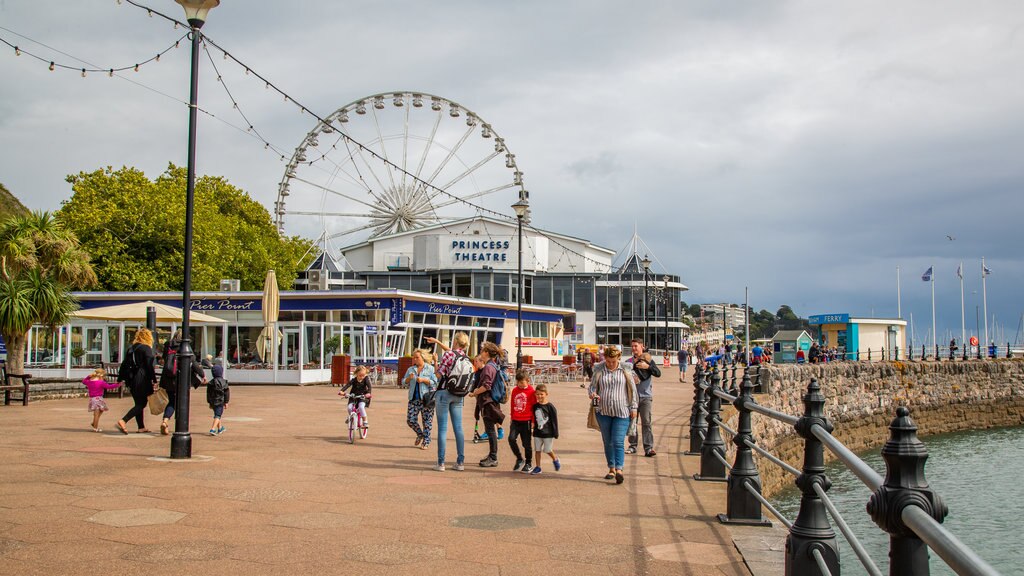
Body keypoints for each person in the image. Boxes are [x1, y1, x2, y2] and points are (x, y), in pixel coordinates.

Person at [588, 347, 637, 485]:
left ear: (618, 359)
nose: (610, 364)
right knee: (607, 441)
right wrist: (593, 395)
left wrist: (634, 407)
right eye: (608, 361)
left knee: (618, 441)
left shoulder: (626, 370)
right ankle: (611, 468)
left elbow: (632, 390)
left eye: (613, 361)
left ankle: (619, 469)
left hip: (622, 412)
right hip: (603, 412)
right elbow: (592, 387)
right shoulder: (599, 370)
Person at [427, 333, 470, 471]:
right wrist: (438, 341)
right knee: (458, 428)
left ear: (456, 342)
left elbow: (438, 375)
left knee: (443, 429)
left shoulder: (448, 355)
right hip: (458, 394)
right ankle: (460, 462)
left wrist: (434, 362)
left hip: (444, 392)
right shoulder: (466, 357)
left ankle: (441, 463)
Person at [158, 330, 207, 436]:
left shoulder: (168, 345)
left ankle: (165, 421)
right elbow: (193, 362)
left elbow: (163, 360)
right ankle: (173, 423)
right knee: (179, 403)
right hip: (181, 379)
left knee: (172, 401)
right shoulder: (185, 346)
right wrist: (202, 375)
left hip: (168, 379)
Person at [469, 342, 505, 467]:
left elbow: (486, 386)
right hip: (490, 401)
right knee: (490, 430)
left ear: (486, 353)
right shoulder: (493, 365)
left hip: (488, 402)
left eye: (482, 351)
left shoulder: (489, 367)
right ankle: (491, 455)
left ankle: (493, 457)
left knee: (490, 430)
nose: (480, 353)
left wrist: (475, 393)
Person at [116, 328, 157, 434]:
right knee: (142, 403)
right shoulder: (146, 348)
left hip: (132, 378)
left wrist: (120, 379)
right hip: (142, 378)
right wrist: (154, 379)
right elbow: (149, 366)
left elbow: (124, 364)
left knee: (138, 402)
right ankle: (123, 420)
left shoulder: (131, 349)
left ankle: (141, 427)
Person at [626, 339, 661, 457]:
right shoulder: (628, 362)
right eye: (632, 346)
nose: (634, 348)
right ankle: (632, 446)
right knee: (632, 422)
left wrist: (648, 367)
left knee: (646, 422)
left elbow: (658, 373)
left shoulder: (649, 360)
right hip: (632, 397)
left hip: (646, 396)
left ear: (642, 347)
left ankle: (648, 448)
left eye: (636, 346)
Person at [403, 349, 437, 450]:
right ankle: (420, 434)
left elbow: (435, 382)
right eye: (414, 357)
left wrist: (424, 380)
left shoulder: (430, 369)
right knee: (410, 420)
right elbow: (403, 382)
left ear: (423, 358)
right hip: (414, 399)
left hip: (426, 399)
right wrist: (409, 379)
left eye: (417, 357)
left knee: (427, 421)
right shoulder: (411, 369)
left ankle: (426, 440)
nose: (415, 359)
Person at [508, 370, 536, 473]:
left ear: (527, 381)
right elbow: (512, 404)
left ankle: (528, 463)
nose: (519, 384)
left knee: (526, 444)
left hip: (526, 421)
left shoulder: (531, 392)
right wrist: (511, 417)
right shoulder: (515, 390)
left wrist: (533, 421)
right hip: (516, 420)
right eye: (518, 382)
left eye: (522, 382)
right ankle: (519, 458)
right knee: (511, 439)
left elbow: (534, 407)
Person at [529, 383, 560, 475]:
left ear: (546, 394)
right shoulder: (535, 406)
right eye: (537, 394)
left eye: (541, 394)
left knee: (547, 450)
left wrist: (556, 433)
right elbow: (534, 419)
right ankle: (538, 467)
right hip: (537, 432)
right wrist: (532, 428)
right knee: (537, 450)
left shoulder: (551, 407)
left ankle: (555, 459)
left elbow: (554, 421)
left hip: (548, 433)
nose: (539, 396)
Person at [83, 368, 120, 432]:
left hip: (93, 399)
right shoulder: (101, 382)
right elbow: (109, 387)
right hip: (98, 398)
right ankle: (95, 428)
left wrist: (88, 376)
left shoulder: (89, 382)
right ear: (101, 376)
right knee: (97, 414)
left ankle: (94, 423)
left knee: (101, 410)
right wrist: (118, 384)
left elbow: (84, 381)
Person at [206, 364, 230, 436]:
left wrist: (209, 402)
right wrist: (226, 402)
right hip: (220, 401)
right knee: (218, 415)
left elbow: (208, 393)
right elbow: (227, 393)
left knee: (217, 414)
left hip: (213, 401)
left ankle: (220, 428)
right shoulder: (224, 382)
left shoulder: (210, 383)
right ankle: (213, 429)